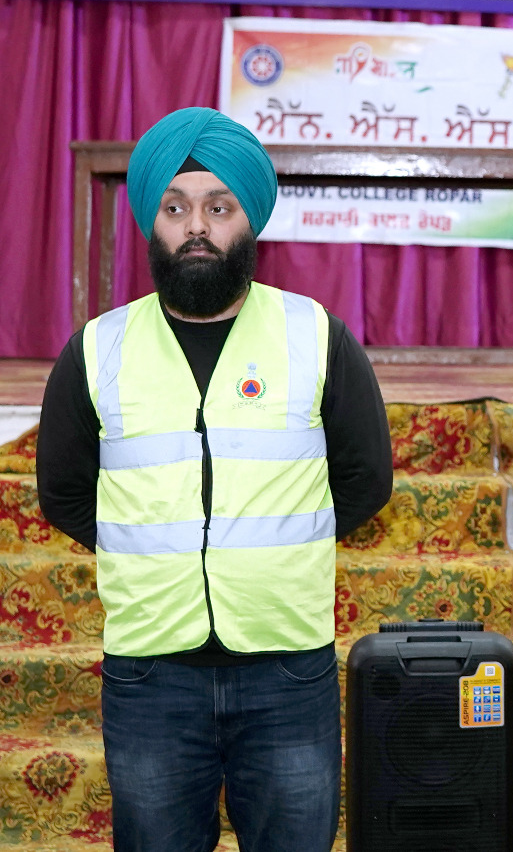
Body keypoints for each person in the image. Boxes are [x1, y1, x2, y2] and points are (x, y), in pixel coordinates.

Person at [35, 108, 393, 852]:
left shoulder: (314, 334)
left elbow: (366, 480)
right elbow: (64, 492)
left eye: (219, 208)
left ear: (249, 220)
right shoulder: (97, 348)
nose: (196, 227)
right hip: (150, 675)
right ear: (151, 223)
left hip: (287, 669)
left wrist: (273, 552)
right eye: (175, 209)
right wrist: (149, 552)